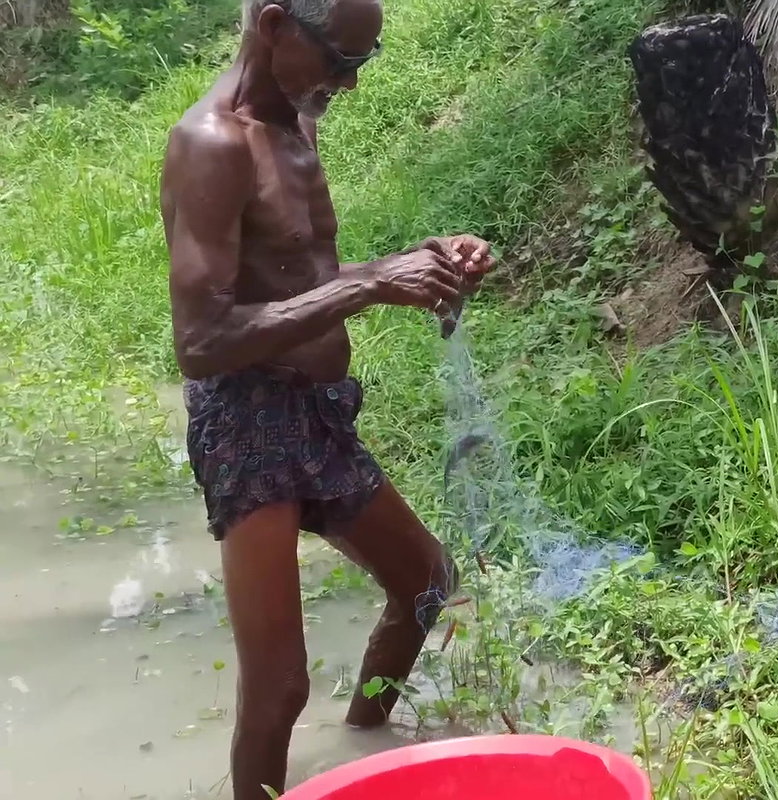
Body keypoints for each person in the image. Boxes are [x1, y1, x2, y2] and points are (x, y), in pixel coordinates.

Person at [158, 0, 492, 796]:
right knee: (276, 687)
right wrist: (374, 286)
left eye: (362, 62)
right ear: (274, 26)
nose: (348, 79)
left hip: (319, 412)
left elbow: (300, 281)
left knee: (426, 584)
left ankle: (358, 760)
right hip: (248, 420)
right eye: (339, 58)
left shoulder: (297, 121)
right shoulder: (210, 144)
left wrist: (417, 264)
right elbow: (200, 342)